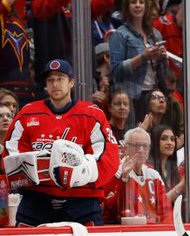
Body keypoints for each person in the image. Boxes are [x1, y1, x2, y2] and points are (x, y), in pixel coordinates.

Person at [2, 59, 120, 226]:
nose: (55, 84)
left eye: (60, 78)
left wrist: (81, 171)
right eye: (50, 80)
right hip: (36, 201)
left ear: (71, 82)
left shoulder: (92, 115)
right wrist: (32, 168)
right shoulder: (27, 113)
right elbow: (10, 153)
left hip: (81, 202)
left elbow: (108, 157)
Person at [102, 127, 170, 224]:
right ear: (125, 149)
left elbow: (166, 211)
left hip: (153, 232)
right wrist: (124, 178)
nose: (141, 150)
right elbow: (111, 209)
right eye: (136, 146)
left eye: (145, 146)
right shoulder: (114, 172)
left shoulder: (154, 175)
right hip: (124, 234)